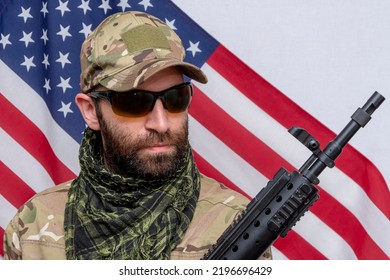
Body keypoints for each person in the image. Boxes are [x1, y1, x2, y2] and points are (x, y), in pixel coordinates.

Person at [3, 11, 272, 260]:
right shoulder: (32, 228)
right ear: (90, 111)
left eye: (175, 98)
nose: (161, 122)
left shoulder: (233, 225)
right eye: (133, 102)